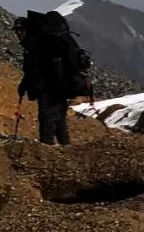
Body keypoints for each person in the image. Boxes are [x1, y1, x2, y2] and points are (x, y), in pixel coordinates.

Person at [15, 10, 92, 146]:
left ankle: (47, 149)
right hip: (60, 87)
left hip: (50, 89)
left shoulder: (36, 45)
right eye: (17, 31)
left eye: (20, 30)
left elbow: (34, 70)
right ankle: (66, 148)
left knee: (47, 118)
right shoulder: (45, 43)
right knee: (59, 119)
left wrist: (32, 85)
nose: (18, 34)